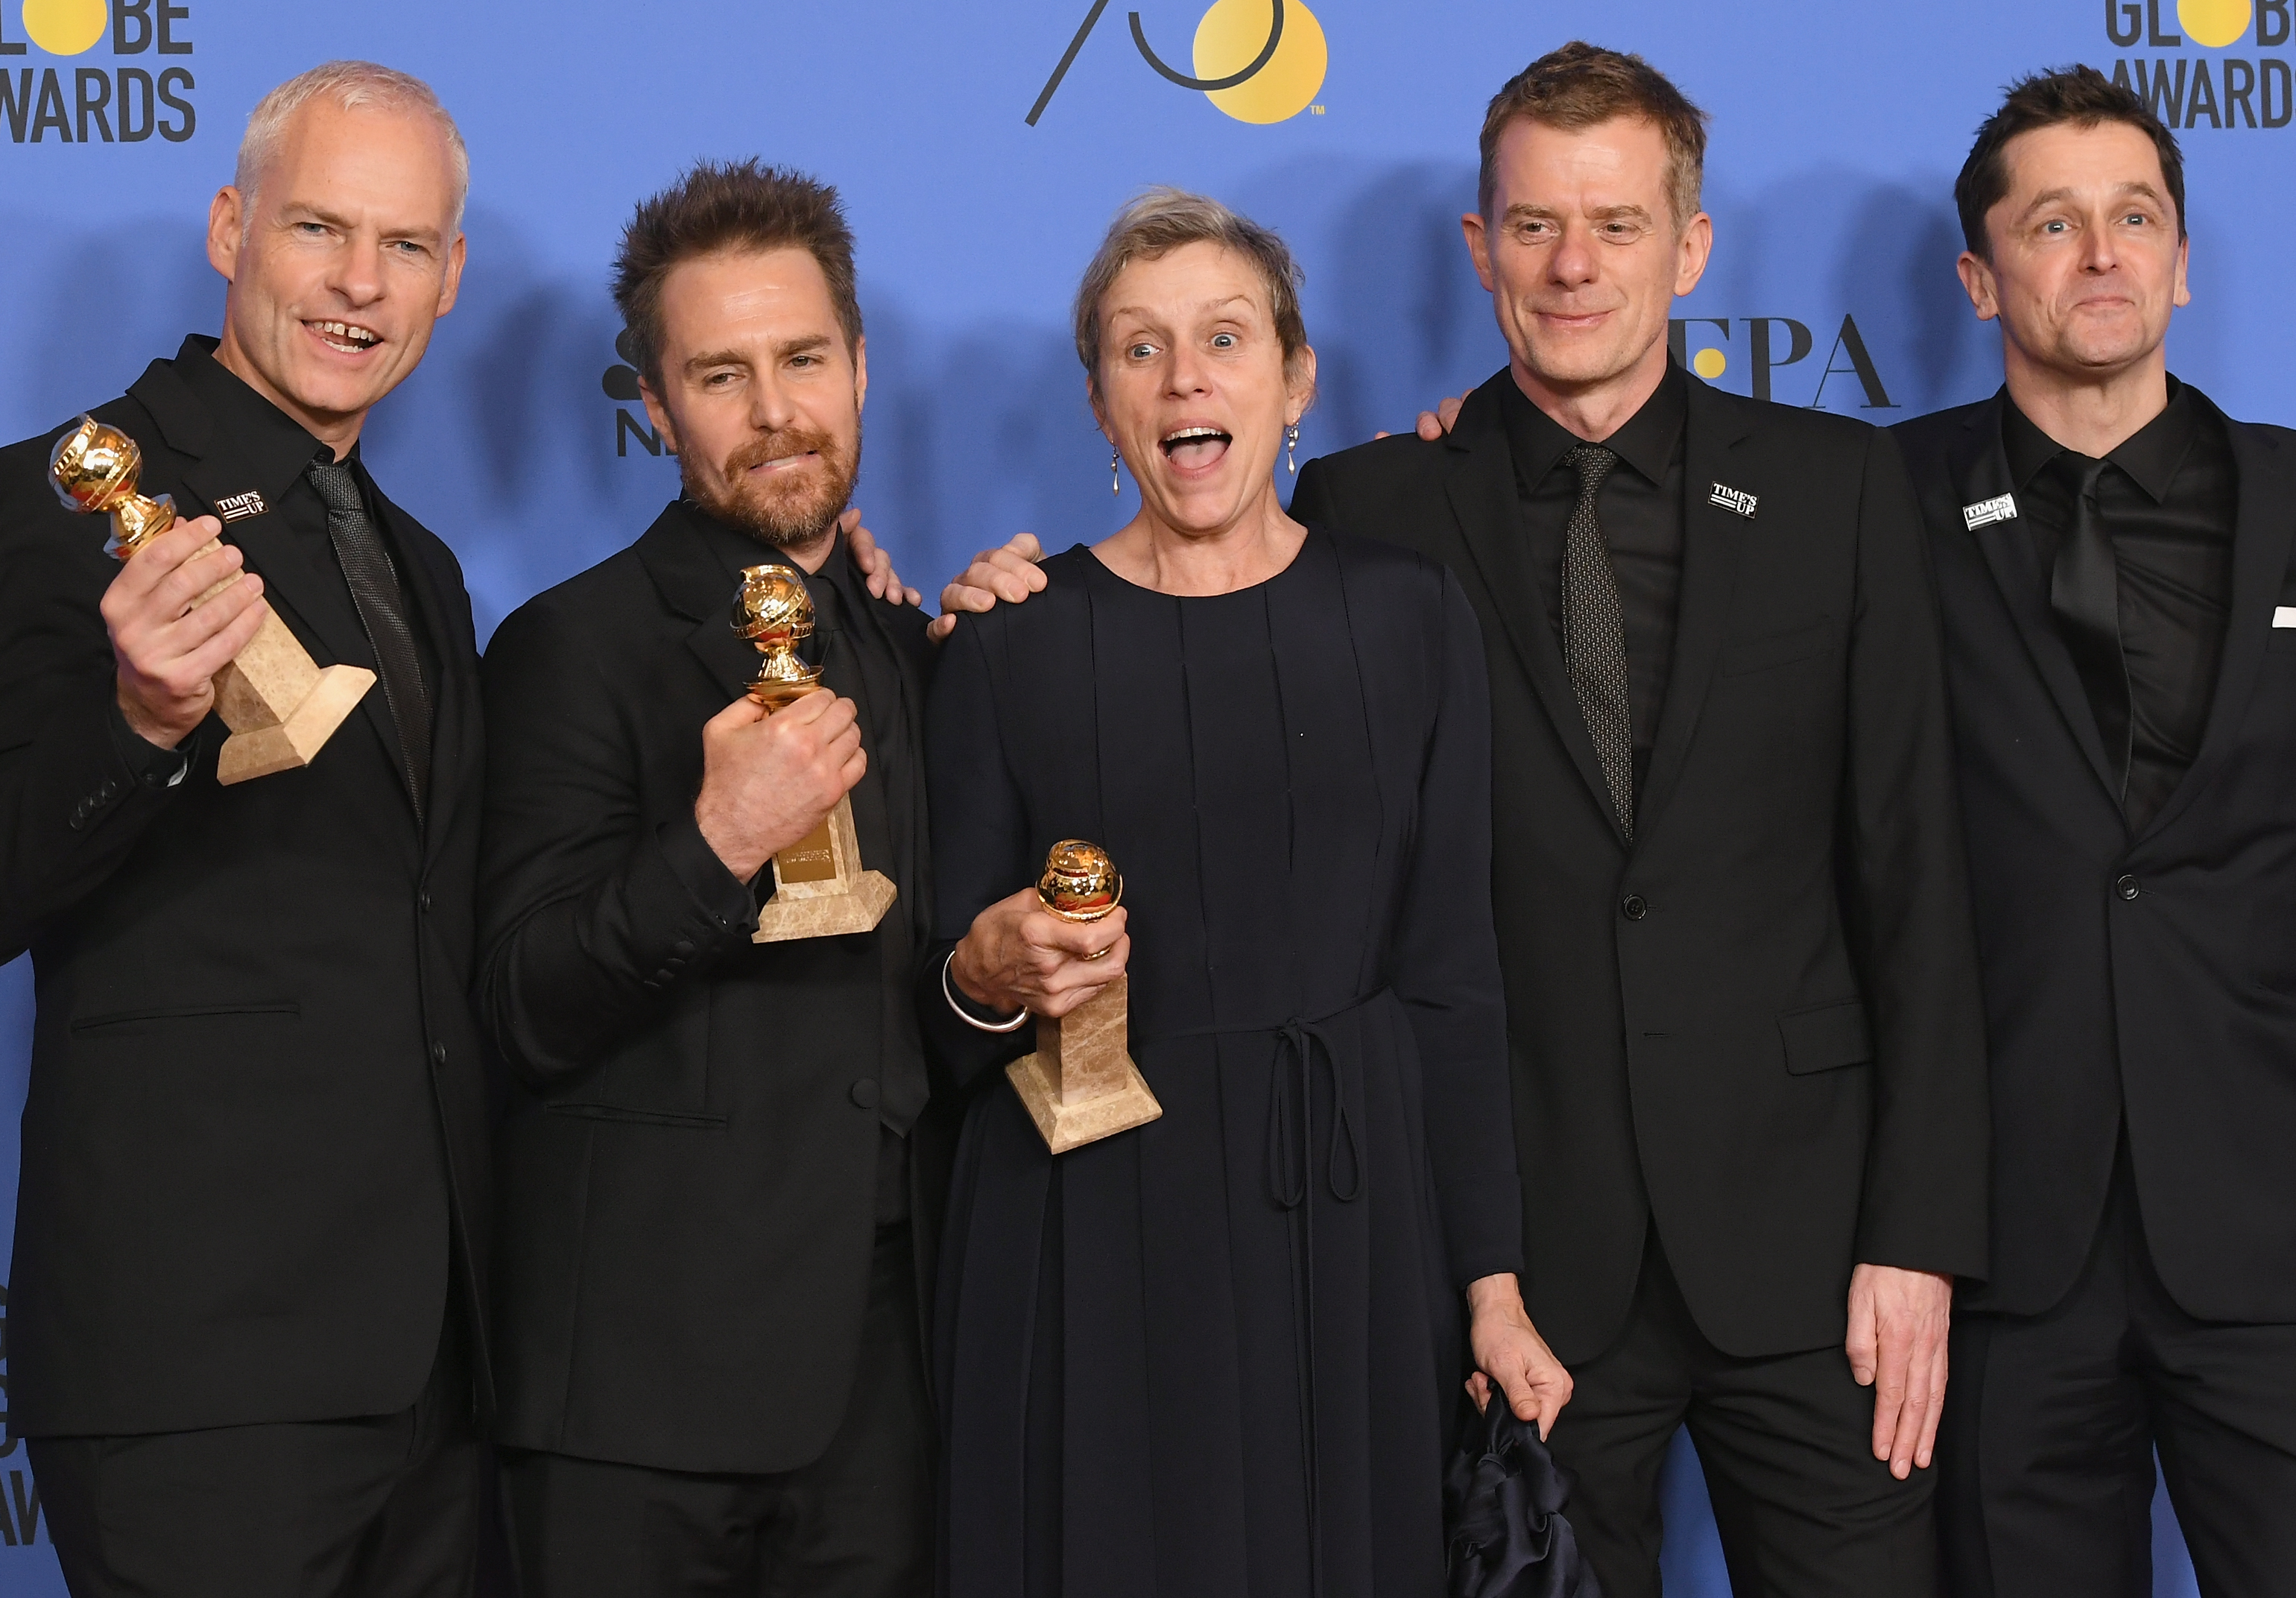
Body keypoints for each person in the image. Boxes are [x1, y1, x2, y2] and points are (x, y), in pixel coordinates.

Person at [962, 44, 1985, 1596]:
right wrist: (988, 596)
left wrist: (1917, 1236)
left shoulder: (1845, 489)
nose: (1572, 266)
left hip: (1812, 1248)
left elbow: (1918, 878)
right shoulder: (1376, 514)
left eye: (1618, 225)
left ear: (1692, 247)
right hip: (1529, 1269)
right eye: (1531, 227)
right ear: (1478, 249)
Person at [920, 187, 1572, 1598]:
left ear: (1297, 379)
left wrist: (1492, 1287)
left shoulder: (1409, 617)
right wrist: (984, 973)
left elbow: (1454, 979)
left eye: (1224, 337)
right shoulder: (1005, 647)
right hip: (1086, 1234)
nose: (1185, 379)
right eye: (1139, 349)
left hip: (1349, 1230)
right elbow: (937, 1003)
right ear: (1100, 403)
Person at [1889, 66, 2296, 1596]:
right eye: (2054, 222)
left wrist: (2235, 988)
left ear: (2182, 260)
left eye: (2134, 218)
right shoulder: (1871, 506)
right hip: (2000, 1241)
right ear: (1982, 279)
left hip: (2273, 1222)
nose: (2101, 255)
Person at [0, 62, 494, 1596]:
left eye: (405, 246)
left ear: (451, 278)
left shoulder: (420, 565)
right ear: (230, 229)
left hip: (433, 1382)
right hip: (193, 1373)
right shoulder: (49, 508)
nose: (360, 284)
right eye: (318, 229)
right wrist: (139, 725)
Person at [475, 160, 945, 1598]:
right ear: (658, 408)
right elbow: (522, 1004)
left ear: (860, 367)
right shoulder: (573, 649)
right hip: (640, 1398)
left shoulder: (917, 651)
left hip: (887, 1385)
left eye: (803, 359)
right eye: (720, 374)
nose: (774, 410)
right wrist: (717, 846)